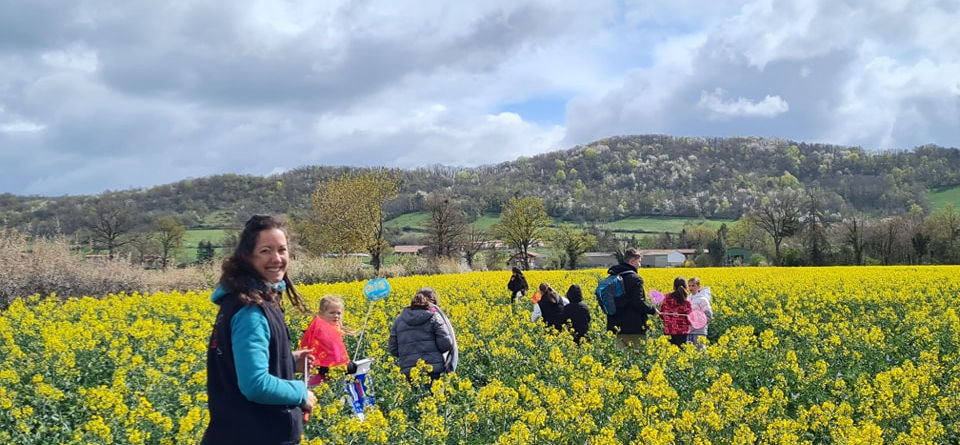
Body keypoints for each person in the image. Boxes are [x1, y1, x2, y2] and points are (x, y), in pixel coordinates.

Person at [203, 215, 316, 445]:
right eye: (266, 250)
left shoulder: (244, 300)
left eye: (282, 250)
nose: (276, 258)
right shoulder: (250, 311)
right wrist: (300, 393)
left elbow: (240, 363)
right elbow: (255, 384)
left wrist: (288, 361)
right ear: (247, 256)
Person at [389, 291, 453, 381]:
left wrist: (407, 355)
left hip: (409, 371)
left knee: (415, 394)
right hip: (432, 370)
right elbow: (446, 344)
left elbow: (393, 349)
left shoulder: (399, 321)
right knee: (434, 394)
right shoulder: (434, 317)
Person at [299, 295, 359, 386]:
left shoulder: (333, 329)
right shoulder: (320, 332)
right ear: (321, 313)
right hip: (321, 380)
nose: (336, 316)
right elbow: (320, 362)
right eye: (332, 313)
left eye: (338, 313)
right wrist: (347, 367)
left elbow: (336, 355)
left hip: (333, 378)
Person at [605, 248, 657, 350]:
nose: (640, 265)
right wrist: (652, 310)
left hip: (615, 327)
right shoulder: (635, 279)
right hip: (634, 327)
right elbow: (637, 303)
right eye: (639, 262)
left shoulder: (611, 277)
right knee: (636, 359)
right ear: (632, 261)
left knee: (620, 360)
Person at [420, 287, 459, 373]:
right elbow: (446, 343)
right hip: (433, 365)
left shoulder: (405, 317)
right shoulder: (436, 316)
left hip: (410, 368)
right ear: (433, 301)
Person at [659, 277, 692, 348]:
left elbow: (661, 314)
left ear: (674, 287)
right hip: (682, 332)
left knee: (668, 354)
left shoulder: (666, 298)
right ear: (686, 287)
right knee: (681, 355)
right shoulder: (686, 302)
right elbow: (689, 319)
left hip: (668, 330)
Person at [686, 277, 714, 351]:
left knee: (700, 352)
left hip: (699, 331)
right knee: (690, 354)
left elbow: (709, 316)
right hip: (689, 331)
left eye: (693, 285)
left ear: (698, 287)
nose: (691, 288)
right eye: (689, 286)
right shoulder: (688, 299)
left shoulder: (702, 299)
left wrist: (699, 323)